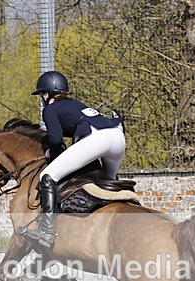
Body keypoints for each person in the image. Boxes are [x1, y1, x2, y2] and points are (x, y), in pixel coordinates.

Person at [26, 70, 126, 248]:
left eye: (42, 94)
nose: (42, 98)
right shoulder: (76, 104)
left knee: (47, 176)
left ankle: (46, 231)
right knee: (109, 182)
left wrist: (51, 153)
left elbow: (56, 138)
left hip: (98, 139)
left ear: (46, 93)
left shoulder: (50, 109)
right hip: (117, 137)